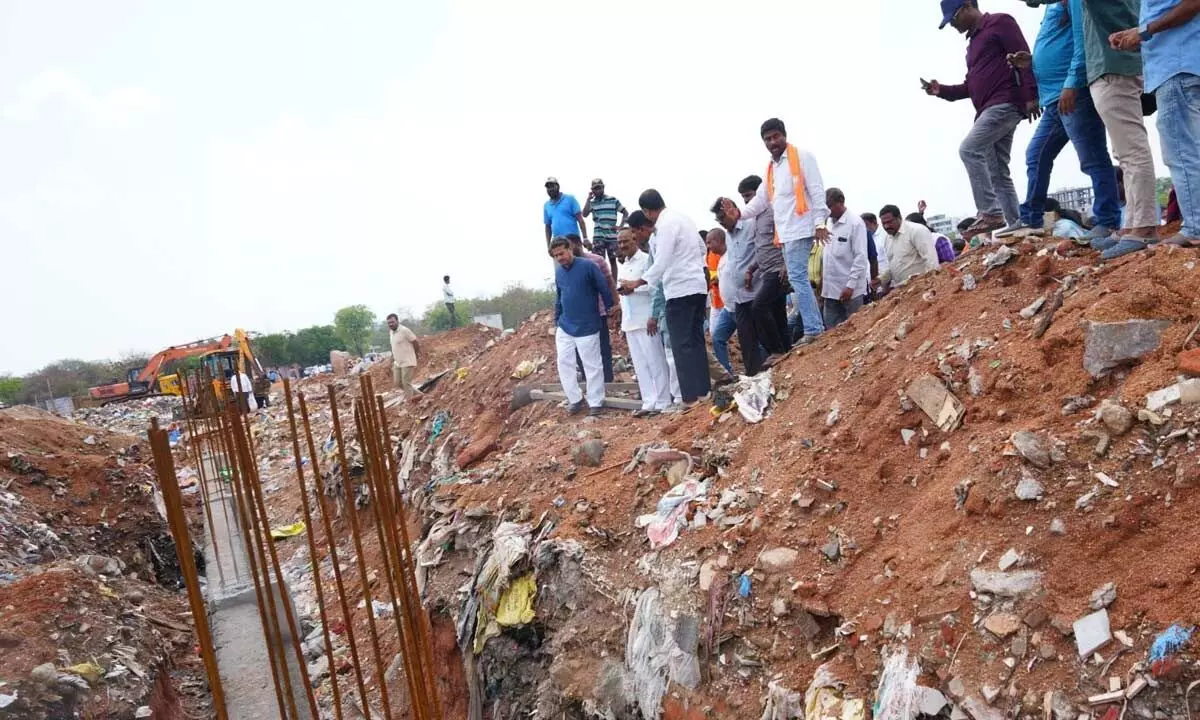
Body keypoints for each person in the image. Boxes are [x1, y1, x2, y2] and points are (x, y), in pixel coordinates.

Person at [1002, 1, 1121, 244]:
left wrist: (1072, 83)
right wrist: (1032, 62)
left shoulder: (1072, 2)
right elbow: (1061, 45)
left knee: (1093, 158)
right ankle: (1031, 218)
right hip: (1054, 100)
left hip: (1073, 93)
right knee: (1036, 154)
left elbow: (1083, 42)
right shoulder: (1052, 7)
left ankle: (1107, 220)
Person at [927, 0, 1038, 238]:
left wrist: (1031, 95)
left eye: (953, 18)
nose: (953, 26)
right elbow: (971, 86)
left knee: (969, 150)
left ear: (967, 6)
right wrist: (942, 90)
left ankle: (990, 212)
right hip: (987, 108)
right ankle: (1015, 223)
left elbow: (1024, 56)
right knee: (997, 169)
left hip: (1005, 101)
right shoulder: (973, 44)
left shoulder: (1000, 22)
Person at [725, 118, 829, 345]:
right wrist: (738, 215)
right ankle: (814, 326)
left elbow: (817, 191)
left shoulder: (802, 157)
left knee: (797, 277)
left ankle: (814, 328)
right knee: (797, 277)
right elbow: (761, 200)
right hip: (785, 233)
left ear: (784, 135)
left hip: (801, 227)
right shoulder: (771, 169)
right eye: (768, 139)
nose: (773, 142)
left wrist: (820, 222)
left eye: (776, 137)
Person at [1111, 0, 1200, 249]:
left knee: (1182, 151)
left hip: (1177, 68)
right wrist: (1139, 38)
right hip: (1181, 65)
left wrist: (1143, 32)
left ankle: (1196, 227)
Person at [620, 189, 710, 406]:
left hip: (680, 290)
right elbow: (701, 248)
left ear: (646, 211)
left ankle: (690, 399)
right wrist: (700, 271)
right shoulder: (683, 219)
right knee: (696, 341)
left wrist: (637, 282)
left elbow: (661, 262)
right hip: (697, 287)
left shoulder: (665, 226)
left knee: (681, 345)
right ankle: (704, 392)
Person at [551, 236, 615, 416]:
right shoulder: (559, 272)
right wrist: (557, 319)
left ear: (570, 249)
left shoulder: (588, 266)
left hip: (587, 324)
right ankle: (575, 399)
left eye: (562, 253)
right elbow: (559, 296)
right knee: (564, 362)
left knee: (592, 364)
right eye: (556, 256)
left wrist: (610, 307)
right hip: (565, 325)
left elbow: (604, 287)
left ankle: (596, 401)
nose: (560, 258)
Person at [616, 230, 671, 416]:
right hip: (630, 322)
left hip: (647, 320)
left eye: (626, 241)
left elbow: (655, 287)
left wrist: (634, 288)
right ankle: (649, 401)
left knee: (656, 362)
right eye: (620, 243)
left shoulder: (646, 261)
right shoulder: (623, 265)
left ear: (634, 239)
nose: (623, 246)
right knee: (640, 365)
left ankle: (663, 401)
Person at [739, 175, 791, 360]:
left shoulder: (774, 211)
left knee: (758, 306)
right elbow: (762, 248)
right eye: (744, 198)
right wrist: (751, 269)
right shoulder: (755, 218)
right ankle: (787, 353)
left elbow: (786, 238)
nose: (746, 201)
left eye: (749, 196)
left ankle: (776, 351)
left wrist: (787, 264)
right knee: (778, 314)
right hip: (766, 269)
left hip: (778, 270)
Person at [711, 202, 766, 375]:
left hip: (750, 297)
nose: (721, 221)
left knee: (756, 340)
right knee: (726, 338)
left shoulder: (750, 227)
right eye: (717, 219)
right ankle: (732, 374)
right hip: (732, 305)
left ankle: (766, 369)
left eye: (722, 217)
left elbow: (760, 253)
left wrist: (750, 272)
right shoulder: (728, 241)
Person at [567, 234, 617, 383]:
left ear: (577, 244)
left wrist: (614, 305)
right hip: (580, 316)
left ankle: (608, 381)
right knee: (580, 349)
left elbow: (610, 283)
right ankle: (589, 380)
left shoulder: (597, 260)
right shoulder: (568, 266)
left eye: (569, 246)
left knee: (603, 347)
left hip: (599, 311)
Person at [821, 189, 870, 329]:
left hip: (850, 291)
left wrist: (850, 286)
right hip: (830, 290)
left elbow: (860, 257)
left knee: (854, 330)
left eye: (830, 206)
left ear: (841, 202)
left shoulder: (855, 223)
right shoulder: (828, 223)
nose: (828, 210)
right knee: (831, 332)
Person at [702, 227, 743, 376]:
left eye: (709, 242)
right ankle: (727, 374)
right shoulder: (720, 259)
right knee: (718, 338)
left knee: (750, 340)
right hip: (728, 309)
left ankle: (758, 369)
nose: (708, 246)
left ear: (719, 241)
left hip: (740, 306)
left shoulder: (732, 256)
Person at [878, 205, 939, 286]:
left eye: (889, 222)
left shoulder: (916, 231)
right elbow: (894, 265)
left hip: (922, 286)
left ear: (899, 217)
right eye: (883, 223)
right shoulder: (888, 238)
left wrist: (931, 285)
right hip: (902, 290)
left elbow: (931, 261)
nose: (886, 226)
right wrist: (881, 279)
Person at [582, 179, 628, 278]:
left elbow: (625, 213)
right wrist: (588, 199)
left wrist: (621, 226)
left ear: (603, 187)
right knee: (598, 261)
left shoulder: (613, 200)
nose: (597, 190)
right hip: (598, 236)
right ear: (592, 190)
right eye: (595, 188)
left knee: (613, 260)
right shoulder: (592, 203)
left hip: (612, 236)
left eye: (599, 187)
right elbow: (584, 214)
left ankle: (614, 286)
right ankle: (601, 285)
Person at [543, 178, 587, 249]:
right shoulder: (546, 205)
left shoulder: (570, 199)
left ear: (558, 186)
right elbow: (547, 227)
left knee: (577, 260)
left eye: (552, 186)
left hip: (573, 241)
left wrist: (585, 238)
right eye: (548, 187)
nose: (550, 189)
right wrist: (548, 245)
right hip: (558, 243)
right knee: (560, 259)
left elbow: (580, 219)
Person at [387, 313, 421, 400]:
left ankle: (410, 402)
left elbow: (415, 341)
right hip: (397, 362)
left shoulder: (404, 330)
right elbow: (394, 346)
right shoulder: (391, 332)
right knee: (398, 383)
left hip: (408, 360)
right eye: (389, 323)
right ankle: (420, 394)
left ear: (397, 321)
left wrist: (416, 354)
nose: (391, 324)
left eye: (392, 322)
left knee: (406, 383)